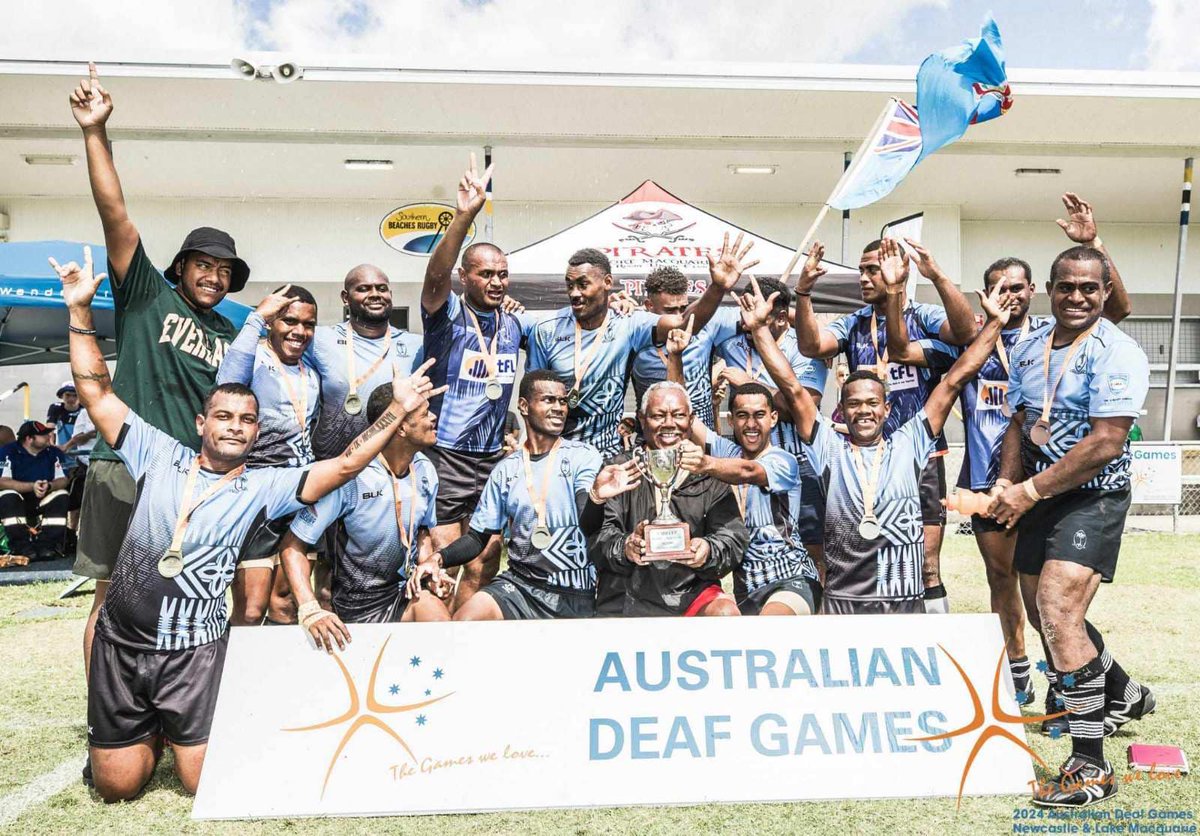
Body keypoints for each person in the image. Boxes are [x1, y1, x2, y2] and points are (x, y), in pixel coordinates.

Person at [51, 246, 440, 804]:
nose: (236, 428)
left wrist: (395, 412)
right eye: (225, 417)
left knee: (203, 787)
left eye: (248, 421)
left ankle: (173, 725)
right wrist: (79, 312)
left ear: (258, 434)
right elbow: (95, 390)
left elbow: (348, 462)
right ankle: (139, 735)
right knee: (118, 790)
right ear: (200, 422)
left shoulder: (264, 486)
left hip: (192, 655)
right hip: (124, 647)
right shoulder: (157, 453)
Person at [884, 194, 1132, 725]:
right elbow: (908, 349)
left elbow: (1113, 310)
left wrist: (1092, 245)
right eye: (999, 289)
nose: (1010, 297)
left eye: (1018, 288)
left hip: (1049, 482)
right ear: (987, 293)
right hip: (989, 481)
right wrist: (923, 286)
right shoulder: (973, 344)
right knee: (1008, 583)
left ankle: (1069, 688)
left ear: (1032, 292)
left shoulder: (1054, 337)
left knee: (1055, 601)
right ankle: (1019, 670)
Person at [68, 64, 246, 714]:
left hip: (185, 484)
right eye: (204, 265)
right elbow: (114, 212)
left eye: (225, 270)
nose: (215, 277)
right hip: (121, 468)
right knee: (109, 598)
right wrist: (96, 132)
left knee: (176, 598)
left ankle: (168, 712)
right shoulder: (145, 295)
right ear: (180, 268)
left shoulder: (231, 334)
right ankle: (103, 719)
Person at [988, 245, 1152, 808]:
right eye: (1066, 287)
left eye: (1089, 288)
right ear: (1048, 290)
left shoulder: (1118, 351)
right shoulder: (1031, 345)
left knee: (1058, 611)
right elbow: (1020, 420)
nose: (1077, 297)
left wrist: (1029, 490)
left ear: (1106, 293)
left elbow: (1107, 441)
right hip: (1041, 498)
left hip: (1094, 496)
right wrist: (1007, 483)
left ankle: (1090, 765)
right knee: (1043, 618)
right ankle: (1123, 693)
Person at [754, 268, 1011, 614]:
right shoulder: (829, 447)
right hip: (845, 603)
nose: (863, 411)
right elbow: (792, 387)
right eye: (854, 404)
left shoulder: (910, 442)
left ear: (887, 409)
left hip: (903, 605)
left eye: (872, 403)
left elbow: (954, 379)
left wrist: (994, 324)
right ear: (841, 410)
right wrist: (759, 330)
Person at [793, 238, 977, 615]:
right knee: (853, 558)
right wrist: (805, 291)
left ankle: (934, 645)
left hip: (915, 455)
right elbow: (812, 345)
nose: (863, 278)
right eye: (861, 270)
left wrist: (937, 276)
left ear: (899, 271)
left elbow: (964, 333)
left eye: (872, 269)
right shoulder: (854, 322)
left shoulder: (922, 315)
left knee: (926, 565)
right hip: (859, 460)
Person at [412, 370, 640, 621]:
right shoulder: (505, 469)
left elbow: (588, 522)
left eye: (563, 401)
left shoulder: (583, 455)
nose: (559, 408)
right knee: (466, 619)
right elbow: (477, 539)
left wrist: (596, 497)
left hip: (574, 591)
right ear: (523, 405)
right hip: (519, 585)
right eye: (548, 400)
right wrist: (438, 557)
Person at [524, 234, 756, 458]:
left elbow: (683, 324)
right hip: (556, 454)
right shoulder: (546, 329)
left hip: (608, 457)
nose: (575, 293)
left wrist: (717, 287)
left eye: (583, 285)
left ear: (607, 283)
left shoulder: (629, 324)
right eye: (570, 285)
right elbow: (533, 400)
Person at [419, 154, 527, 611]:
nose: (497, 281)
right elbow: (434, 275)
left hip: (491, 458)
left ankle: (461, 634)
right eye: (486, 273)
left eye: (503, 274)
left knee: (484, 560)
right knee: (441, 555)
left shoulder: (515, 323)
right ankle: (436, 631)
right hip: (445, 453)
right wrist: (466, 214)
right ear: (465, 277)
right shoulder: (445, 316)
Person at [280, 379, 452, 651]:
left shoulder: (425, 470)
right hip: (352, 610)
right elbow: (292, 547)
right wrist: (310, 609)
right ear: (401, 427)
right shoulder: (349, 477)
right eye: (424, 413)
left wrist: (428, 566)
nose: (434, 418)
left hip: (401, 595)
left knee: (440, 622)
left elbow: (420, 531)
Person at [591, 380, 749, 617]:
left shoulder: (707, 471)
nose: (669, 424)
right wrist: (626, 548)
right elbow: (598, 537)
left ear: (691, 419)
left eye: (678, 415)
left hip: (692, 592)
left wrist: (708, 550)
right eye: (658, 416)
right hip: (626, 594)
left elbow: (733, 536)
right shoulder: (620, 470)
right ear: (642, 419)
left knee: (725, 613)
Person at [215, 284, 321, 626]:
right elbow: (226, 387)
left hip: (300, 496)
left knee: (286, 604)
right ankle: (229, 678)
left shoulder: (312, 373)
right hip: (255, 495)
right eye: (289, 321)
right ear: (273, 322)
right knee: (250, 608)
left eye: (308, 324)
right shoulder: (255, 358)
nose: (299, 331)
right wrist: (256, 318)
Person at [678, 381, 822, 615]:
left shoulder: (784, 460)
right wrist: (675, 356)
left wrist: (706, 463)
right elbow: (683, 414)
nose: (751, 424)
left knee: (768, 627)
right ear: (731, 420)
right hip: (746, 588)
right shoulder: (727, 452)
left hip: (791, 578)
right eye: (743, 416)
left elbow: (749, 471)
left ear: (773, 418)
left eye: (760, 415)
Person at [715, 276, 828, 567]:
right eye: (745, 312)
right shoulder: (732, 345)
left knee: (811, 549)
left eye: (758, 313)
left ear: (781, 317)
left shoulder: (804, 349)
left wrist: (750, 384)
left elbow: (804, 406)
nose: (747, 320)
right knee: (753, 546)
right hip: (749, 462)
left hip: (801, 462)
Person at [630, 266, 741, 430]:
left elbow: (758, 316)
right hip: (653, 440)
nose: (679, 317)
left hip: (702, 439)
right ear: (649, 305)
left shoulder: (707, 323)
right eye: (669, 311)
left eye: (683, 308)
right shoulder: (634, 331)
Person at [0, 420, 70, 559]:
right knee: (8, 495)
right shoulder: (8, 452)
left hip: (43, 498)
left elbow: (63, 479)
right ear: (29, 439)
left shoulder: (53, 452)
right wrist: (32, 486)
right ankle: (21, 546)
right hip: (16, 500)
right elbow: (2, 482)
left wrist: (49, 486)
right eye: (43, 435)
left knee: (62, 495)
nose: (48, 437)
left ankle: (47, 545)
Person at [48, 382, 83, 468]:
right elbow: (49, 428)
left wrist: (66, 446)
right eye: (68, 395)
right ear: (61, 396)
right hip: (63, 452)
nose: (71, 399)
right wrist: (52, 445)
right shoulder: (56, 408)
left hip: (81, 453)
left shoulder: (85, 410)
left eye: (75, 395)